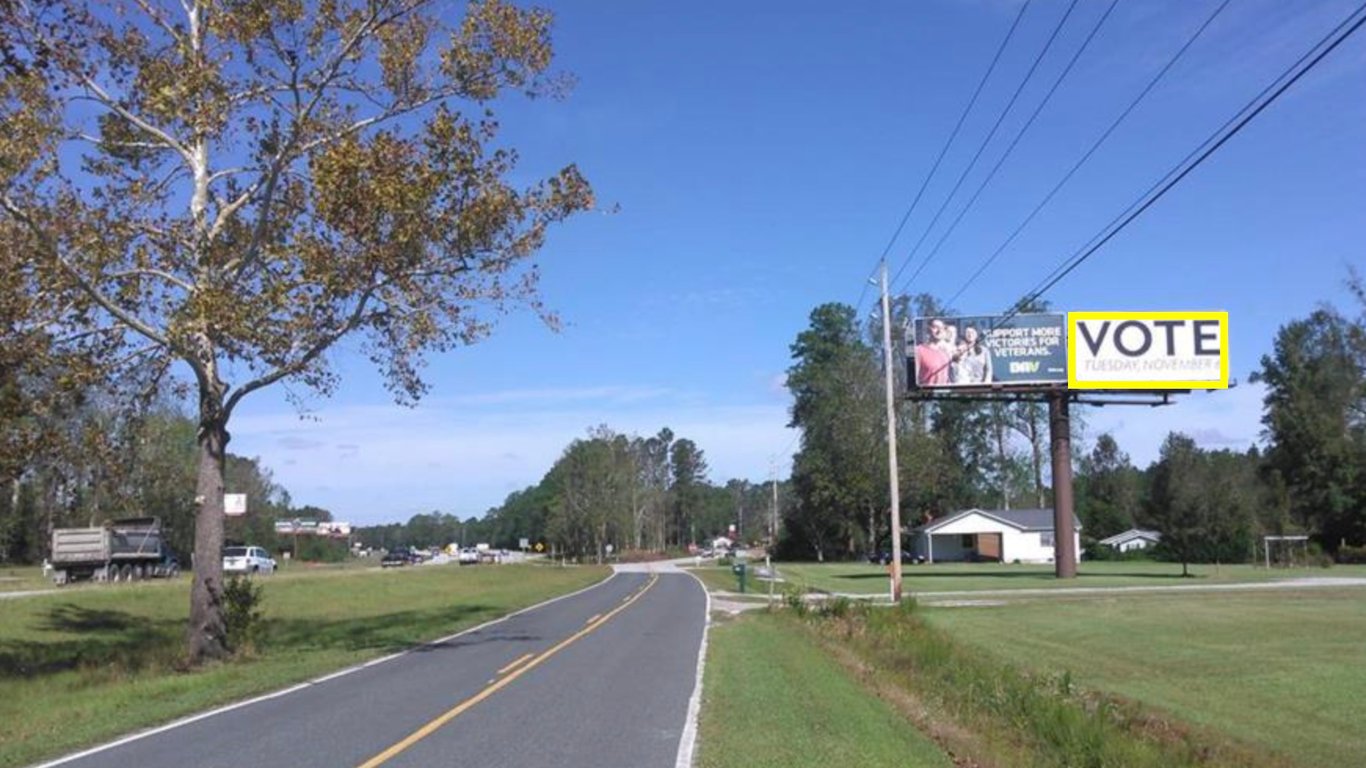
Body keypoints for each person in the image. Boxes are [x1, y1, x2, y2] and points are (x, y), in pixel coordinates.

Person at [915, 318, 952, 385]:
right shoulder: (919, 350)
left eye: (942, 328)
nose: (939, 331)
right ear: (928, 330)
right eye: (936, 327)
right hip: (927, 393)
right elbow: (914, 378)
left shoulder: (945, 353)